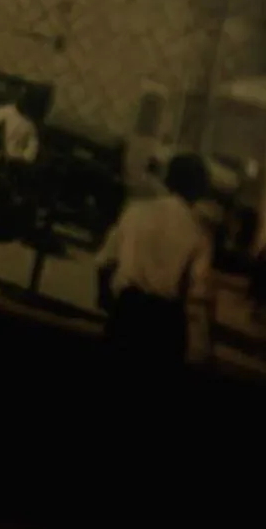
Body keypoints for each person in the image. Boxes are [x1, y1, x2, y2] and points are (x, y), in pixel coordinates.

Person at [96, 153, 215, 368]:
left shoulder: (136, 211)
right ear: (199, 190)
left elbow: (104, 262)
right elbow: (195, 293)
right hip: (165, 322)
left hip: (127, 309)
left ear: (167, 180)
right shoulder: (199, 233)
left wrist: (108, 301)